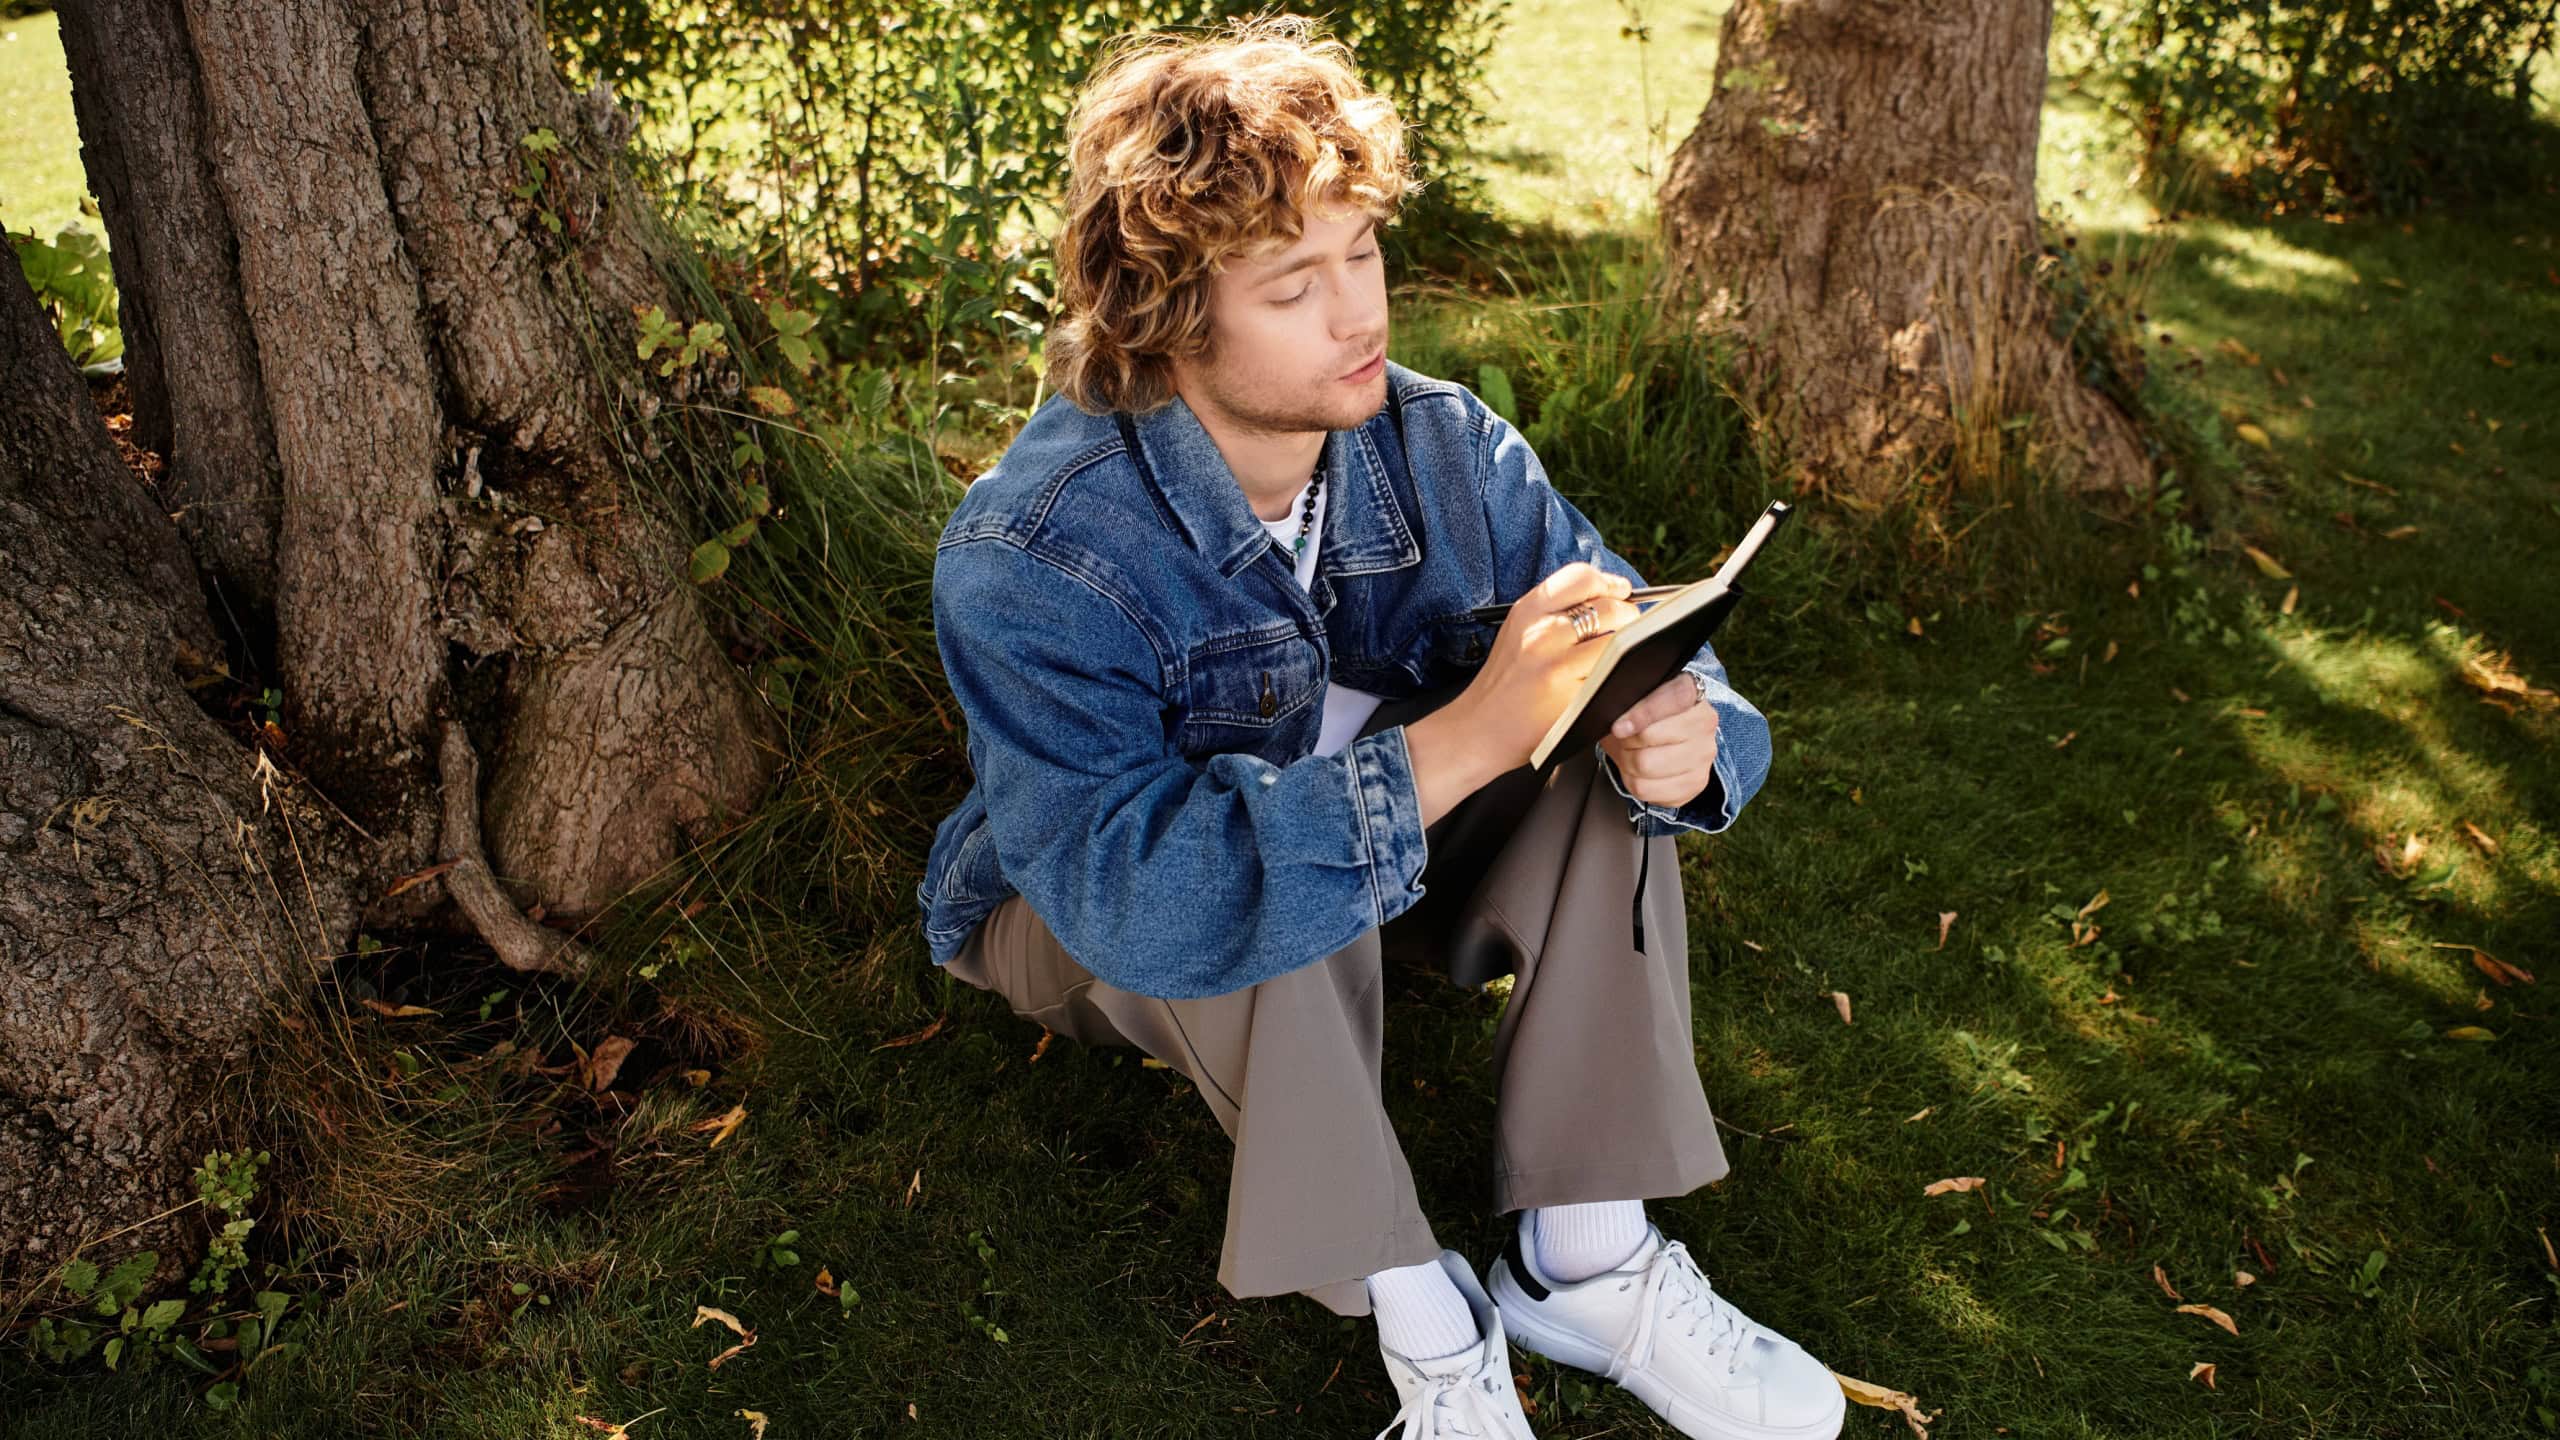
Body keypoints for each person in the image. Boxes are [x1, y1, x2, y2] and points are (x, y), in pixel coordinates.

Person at [912, 16, 1842, 1439]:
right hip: (1081, 920)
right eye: (1294, 285)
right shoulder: (1029, 551)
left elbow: (1641, 634)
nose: (1359, 316)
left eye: (1362, 254)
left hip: (1374, 867)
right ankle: (1424, 1306)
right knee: (1259, 837)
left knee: (1596, 730)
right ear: (1165, 315)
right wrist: (1463, 738)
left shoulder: (1442, 443)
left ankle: (1583, 1262)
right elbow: (1144, 895)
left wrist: (1693, 734)